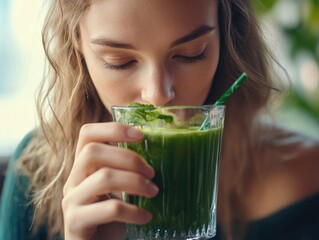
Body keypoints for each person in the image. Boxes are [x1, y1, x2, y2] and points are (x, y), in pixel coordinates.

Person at [1, 0, 319, 239]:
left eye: (191, 53)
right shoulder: (37, 173)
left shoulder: (305, 178)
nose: (158, 94)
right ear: (78, 49)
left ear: (226, 36)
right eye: (120, 61)